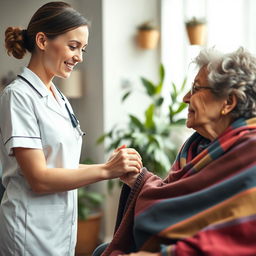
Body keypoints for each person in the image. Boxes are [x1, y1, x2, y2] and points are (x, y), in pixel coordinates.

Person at [0, 2, 142, 255]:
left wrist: (113, 168)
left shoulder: (59, 97)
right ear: (42, 40)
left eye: (82, 49)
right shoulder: (18, 95)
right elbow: (39, 178)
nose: (79, 57)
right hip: (29, 232)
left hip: (61, 229)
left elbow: (61, 165)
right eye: (73, 46)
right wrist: (105, 170)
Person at [93, 47, 256, 256]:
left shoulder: (250, 151)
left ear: (228, 102)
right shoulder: (196, 147)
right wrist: (137, 178)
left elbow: (238, 237)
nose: (186, 98)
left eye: (196, 89)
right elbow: (172, 201)